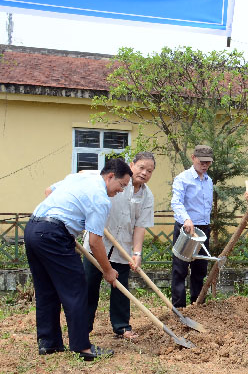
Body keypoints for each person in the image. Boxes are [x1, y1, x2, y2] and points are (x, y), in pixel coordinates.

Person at [24, 158, 131, 361]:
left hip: (33, 228)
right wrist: (108, 271)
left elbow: (49, 192)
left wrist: (66, 224)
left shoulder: (81, 177)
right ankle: (83, 348)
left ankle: (49, 343)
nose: (121, 191)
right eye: (122, 185)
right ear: (110, 177)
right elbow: (95, 241)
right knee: (77, 289)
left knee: (47, 290)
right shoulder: (101, 199)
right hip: (53, 234)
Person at [83, 152, 156, 339]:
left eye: (149, 170)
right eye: (141, 167)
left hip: (122, 247)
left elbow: (141, 225)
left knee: (121, 289)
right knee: (89, 287)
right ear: (132, 165)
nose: (144, 173)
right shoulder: (118, 182)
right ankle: (82, 326)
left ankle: (122, 326)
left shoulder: (148, 196)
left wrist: (137, 252)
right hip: (97, 243)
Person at [171, 145, 214, 308]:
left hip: (203, 229)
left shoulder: (208, 181)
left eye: (208, 162)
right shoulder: (183, 178)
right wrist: (186, 219)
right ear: (193, 158)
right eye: (202, 161)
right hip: (186, 229)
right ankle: (179, 307)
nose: (204, 165)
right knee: (180, 268)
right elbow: (176, 202)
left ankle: (197, 304)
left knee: (200, 268)